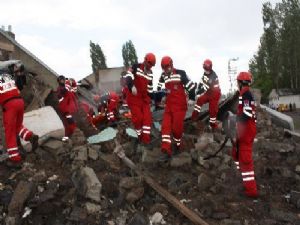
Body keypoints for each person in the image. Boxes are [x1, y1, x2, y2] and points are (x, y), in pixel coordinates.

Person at [157, 56, 196, 161]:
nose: (166, 70)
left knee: (176, 130)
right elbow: (159, 87)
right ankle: (166, 150)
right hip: (169, 107)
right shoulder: (163, 75)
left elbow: (191, 87)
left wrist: (192, 98)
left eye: (167, 67)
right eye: (164, 68)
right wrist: (162, 95)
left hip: (180, 107)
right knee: (165, 127)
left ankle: (178, 145)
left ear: (171, 65)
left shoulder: (180, 73)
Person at [0, 73, 39, 163]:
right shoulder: (7, 76)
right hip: (19, 101)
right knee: (17, 126)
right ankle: (30, 136)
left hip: (9, 104)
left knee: (9, 131)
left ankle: (14, 158)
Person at [232, 71, 258, 198]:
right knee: (237, 154)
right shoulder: (245, 94)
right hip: (244, 130)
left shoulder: (246, 94)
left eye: (237, 82)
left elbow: (246, 113)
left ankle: (251, 191)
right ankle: (242, 178)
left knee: (245, 160)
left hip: (246, 131)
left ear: (241, 83)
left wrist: (236, 122)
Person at [122, 53, 156, 144]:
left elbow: (150, 87)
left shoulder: (150, 73)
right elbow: (128, 76)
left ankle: (146, 140)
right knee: (138, 119)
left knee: (147, 119)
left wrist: (152, 98)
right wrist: (131, 86)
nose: (150, 66)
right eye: (149, 64)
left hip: (144, 98)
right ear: (145, 60)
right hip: (133, 98)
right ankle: (140, 136)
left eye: (152, 65)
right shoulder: (136, 67)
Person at [191, 59, 221, 130]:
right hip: (208, 92)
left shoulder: (213, 76)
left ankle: (213, 125)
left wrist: (198, 92)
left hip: (215, 94)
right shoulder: (205, 73)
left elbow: (205, 87)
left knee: (212, 111)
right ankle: (194, 118)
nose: (205, 71)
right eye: (204, 69)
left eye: (206, 70)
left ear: (210, 68)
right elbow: (201, 81)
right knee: (199, 100)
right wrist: (198, 88)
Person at [56, 75, 78, 140]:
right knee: (70, 122)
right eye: (61, 80)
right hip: (66, 109)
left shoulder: (67, 87)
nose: (62, 81)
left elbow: (74, 90)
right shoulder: (60, 89)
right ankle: (74, 134)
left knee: (69, 123)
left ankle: (69, 135)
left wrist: (73, 82)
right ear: (59, 82)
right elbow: (62, 94)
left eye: (63, 80)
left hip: (71, 108)